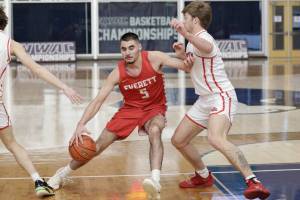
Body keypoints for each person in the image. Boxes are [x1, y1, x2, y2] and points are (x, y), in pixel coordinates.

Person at [47, 32, 192, 199]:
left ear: (139, 47)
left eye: (131, 48)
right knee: (97, 147)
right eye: (123, 49)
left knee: (155, 130)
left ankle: (155, 181)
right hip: (130, 110)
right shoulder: (117, 73)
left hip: (154, 108)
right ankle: (61, 175)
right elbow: (98, 101)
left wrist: (183, 55)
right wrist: (81, 123)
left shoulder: (155, 58)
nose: (127, 52)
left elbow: (187, 67)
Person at [169, 1, 270, 200]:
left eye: (186, 19)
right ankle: (203, 176)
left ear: (195, 20)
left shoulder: (204, 38)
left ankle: (253, 181)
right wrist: (183, 55)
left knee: (215, 138)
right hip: (204, 100)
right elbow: (192, 67)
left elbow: (206, 48)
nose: (183, 22)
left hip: (220, 96)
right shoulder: (192, 41)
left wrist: (185, 33)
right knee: (178, 139)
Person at [0, 6, 82, 198]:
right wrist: (64, 87)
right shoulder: (11, 45)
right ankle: (38, 181)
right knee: (12, 144)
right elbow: (37, 70)